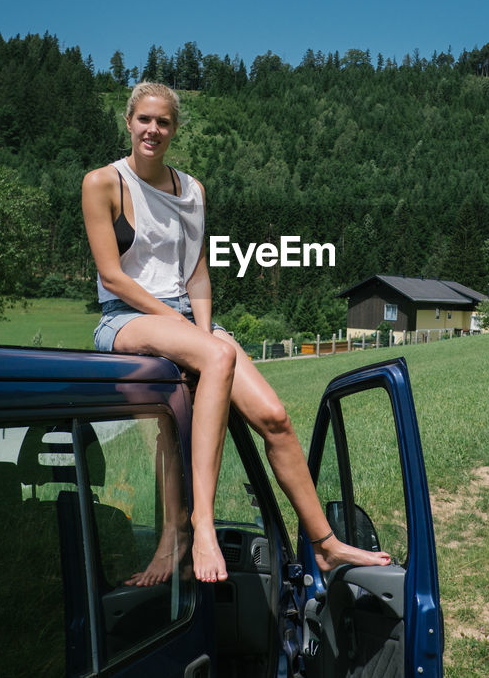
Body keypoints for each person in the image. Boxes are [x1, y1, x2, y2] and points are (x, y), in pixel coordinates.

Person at [83, 82, 391, 584]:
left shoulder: (192, 189)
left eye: (163, 122)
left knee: (274, 416)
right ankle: (197, 526)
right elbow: (113, 275)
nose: (153, 130)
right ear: (128, 121)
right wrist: (189, 334)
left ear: (174, 129)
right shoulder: (103, 183)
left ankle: (326, 545)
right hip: (127, 315)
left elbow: (198, 271)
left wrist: (203, 333)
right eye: (144, 120)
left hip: (185, 317)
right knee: (216, 360)